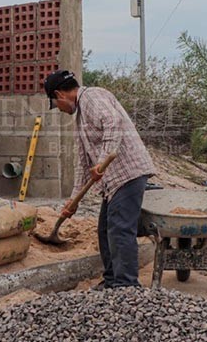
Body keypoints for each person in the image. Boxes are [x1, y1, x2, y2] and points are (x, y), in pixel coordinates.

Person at [44, 70, 156, 288]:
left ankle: (126, 287)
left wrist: (103, 159)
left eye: (55, 104)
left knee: (120, 228)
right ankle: (112, 280)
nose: (59, 109)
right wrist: (73, 201)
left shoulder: (92, 97)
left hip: (128, 173)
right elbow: (83, 164)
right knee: (105, 229)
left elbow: (113, 123)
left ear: (59, 94)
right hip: (113, 181)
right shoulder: (80, 118)